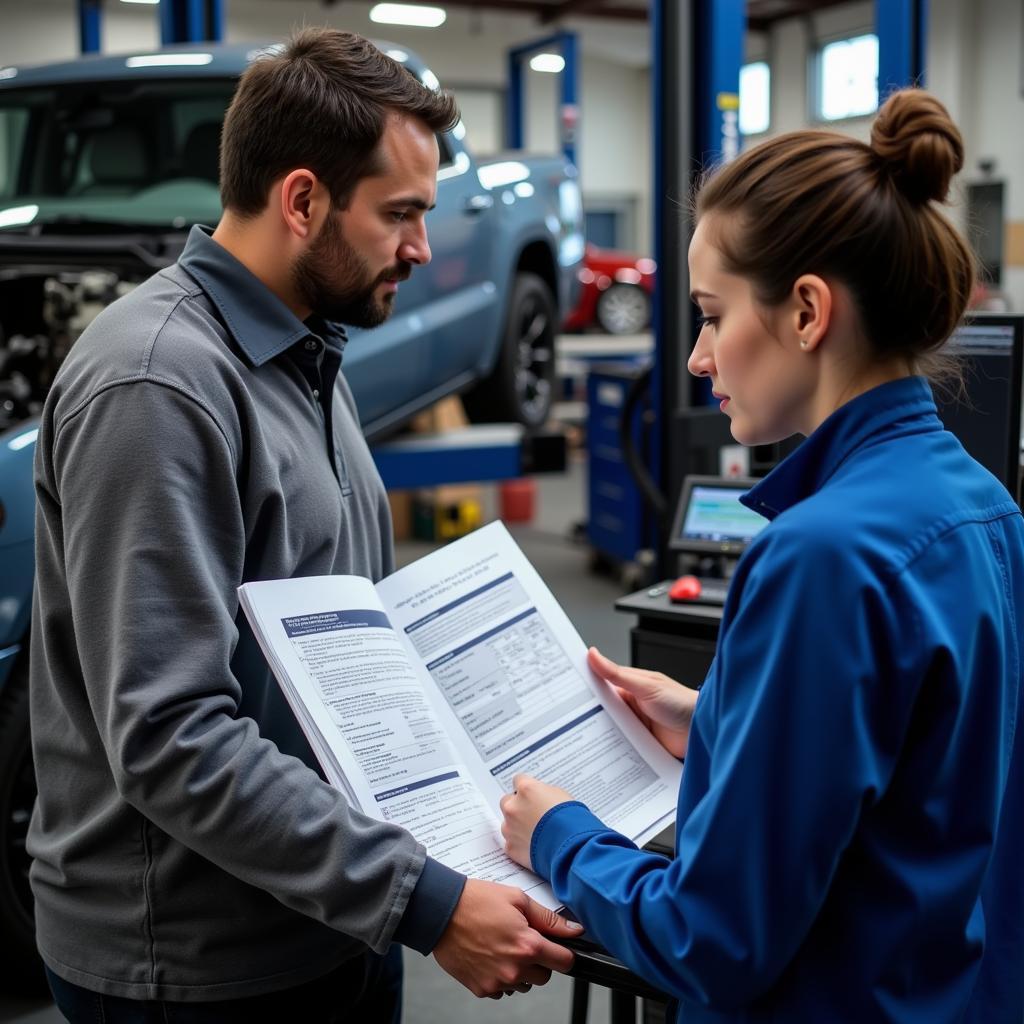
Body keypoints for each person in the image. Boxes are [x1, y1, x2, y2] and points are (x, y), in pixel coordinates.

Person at [29, 28, 578, 1022]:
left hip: (328, 912)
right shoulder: (158, 382)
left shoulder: (304, 354)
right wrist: (427, 901)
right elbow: (170, 736)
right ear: (300, 200)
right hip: (198, 967)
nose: (420, 247)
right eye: (401, 215)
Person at [501, 87, 1024, 1023]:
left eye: (710, 313)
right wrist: (718, 721)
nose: (700, 357)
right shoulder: (986, 508)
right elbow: (932, 784)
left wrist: (561, 839)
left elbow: (715, 941)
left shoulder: (820, 556)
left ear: (809, 312)